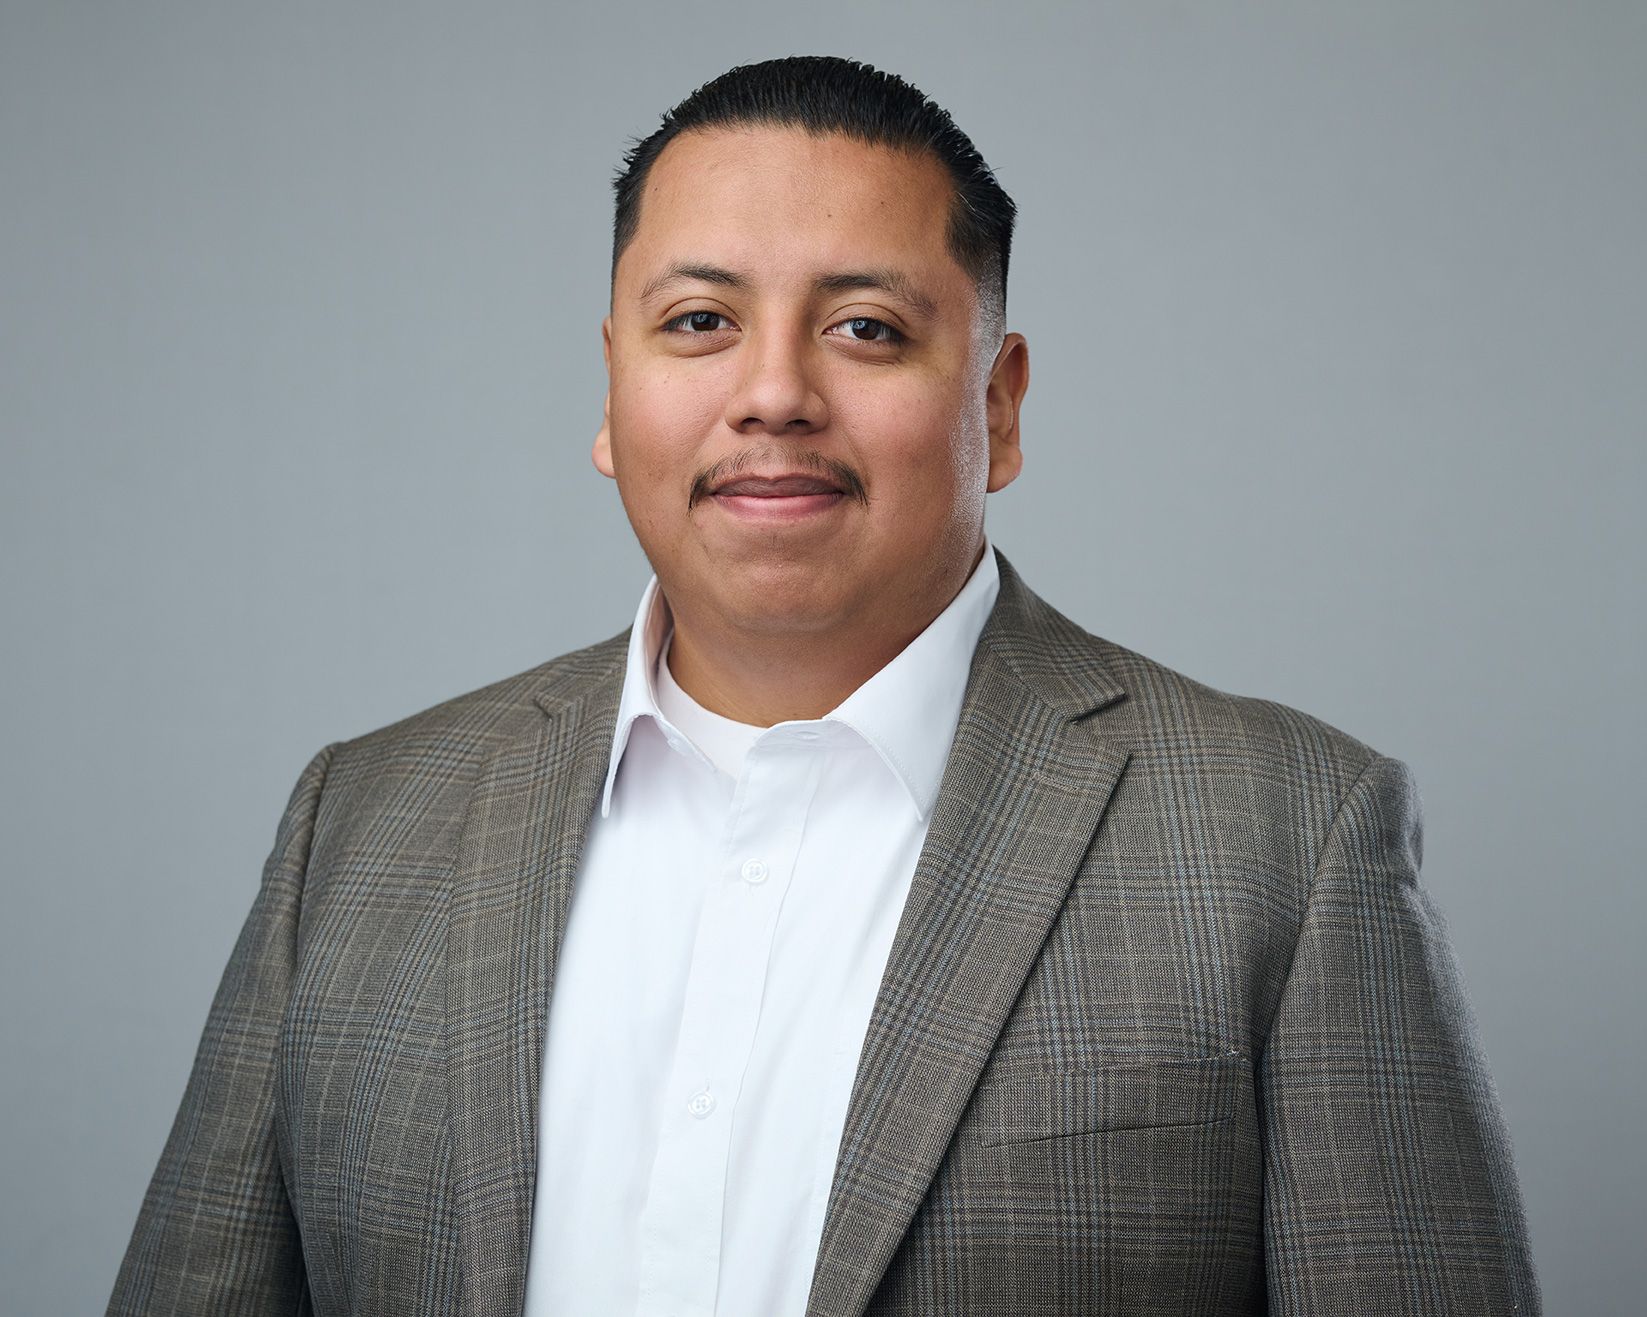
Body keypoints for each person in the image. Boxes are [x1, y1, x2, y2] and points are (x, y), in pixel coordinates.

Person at [108, 55, 1538, 1317]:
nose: (774, 391)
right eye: (697, 323)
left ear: (997, 402)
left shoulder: (1285, 836)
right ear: (613, 397)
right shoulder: (358, 824)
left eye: (864, 328)